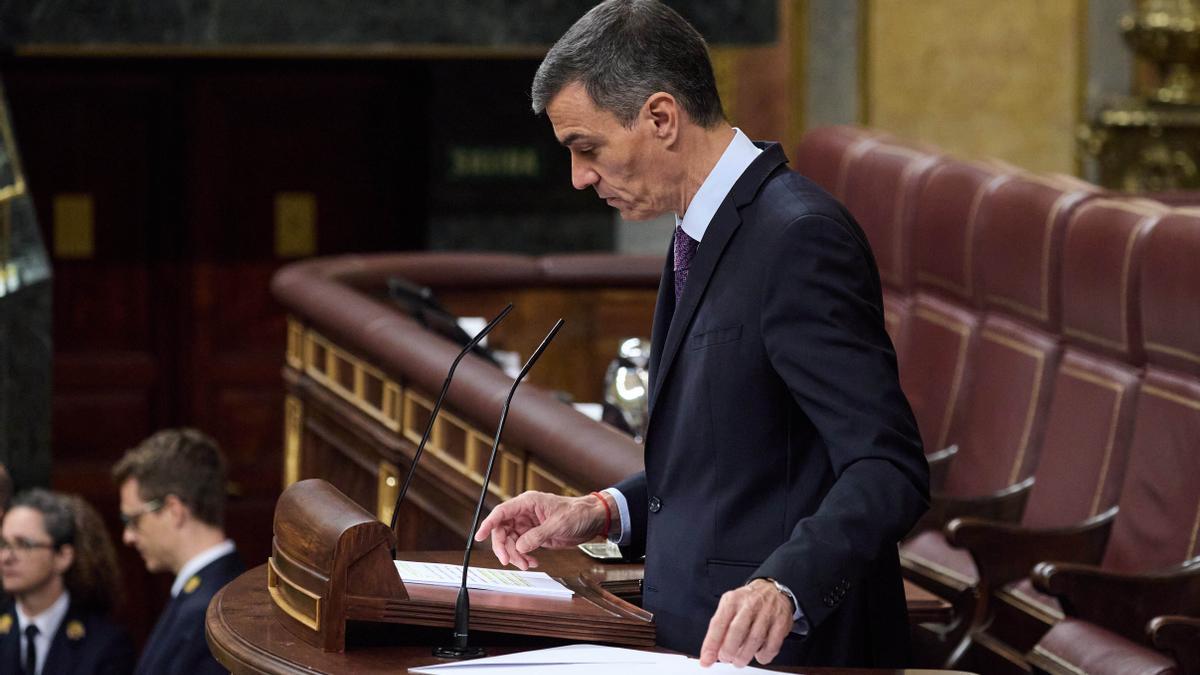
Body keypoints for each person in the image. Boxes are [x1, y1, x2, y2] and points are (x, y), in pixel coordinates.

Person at [474, 0, 930, 668]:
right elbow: (741, 459)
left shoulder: (799, 238)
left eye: (587, 148)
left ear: (660, 117)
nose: (579, 178)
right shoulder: (698, 230)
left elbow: (888, 467)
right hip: (693, 643)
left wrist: (785, 584)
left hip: (793, 654)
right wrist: (602, 509)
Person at [111, 428, 243, 675]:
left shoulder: (209, 612)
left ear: (174, 510)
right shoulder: (209, 594)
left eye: (133, 520)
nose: (127, 536)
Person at [0, 489, 135, 674]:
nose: (6, 557)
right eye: (3, 544)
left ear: (63, 556)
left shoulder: (104, 644)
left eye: (24, 545)